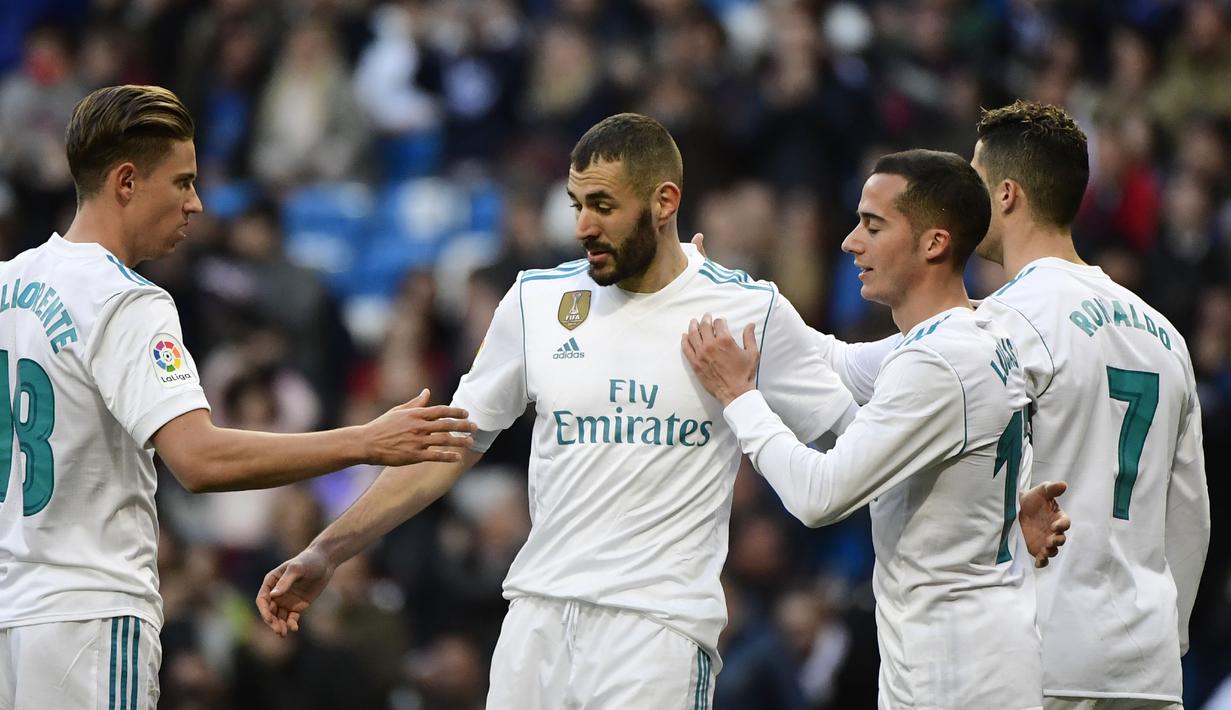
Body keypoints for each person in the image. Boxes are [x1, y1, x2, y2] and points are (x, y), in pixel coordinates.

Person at [256, 112, 861, 709]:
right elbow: (447, 448)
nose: (582, 226)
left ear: (664, 202)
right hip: (535, 621)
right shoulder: (537, 301)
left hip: (655, 631)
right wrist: (327, 550)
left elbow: (859, 435)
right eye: (575, 204)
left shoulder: (745, 310)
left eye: (602, 205)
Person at [0, 84, 476, 710]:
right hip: (90, 615)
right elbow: (199, 460)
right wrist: (365, 441)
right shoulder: (126, 299)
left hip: (14, 612)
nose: (197, 203)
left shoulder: (11, 283)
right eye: (182, 182)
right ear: (125, 182)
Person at [803, 102, 1209, 709]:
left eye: (975, 179)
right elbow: (1189, 514)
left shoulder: (999, 324)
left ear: (1007, 195)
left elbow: (843, 370)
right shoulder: (1165, 336)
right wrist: (1167, 637)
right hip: (1147, 666)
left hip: (1045, 654)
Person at [684, 149, 1067, 709]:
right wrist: (721, 290)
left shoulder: (935, 365)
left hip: (958, 673)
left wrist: (739, 399)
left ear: (934, 243)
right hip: (966, 655)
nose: (850, 242)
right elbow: (830, 361)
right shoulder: (975, 331)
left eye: (873, 225)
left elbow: (819, 496)